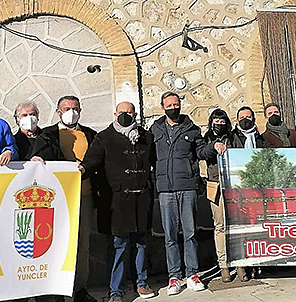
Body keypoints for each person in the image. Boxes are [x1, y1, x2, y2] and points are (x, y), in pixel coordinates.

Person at [150, 92, 225, 295]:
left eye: (176, 104)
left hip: (188, 187)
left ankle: (192, 274)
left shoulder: (192, 129)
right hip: (165, 190)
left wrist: (213, 147)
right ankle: (174, 277)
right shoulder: (155, 129)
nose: (173, 107)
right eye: (169, 105)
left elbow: (200, 151)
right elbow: (149, 156)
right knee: (170, 235)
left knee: (191, 233)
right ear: (162, 107)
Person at [80, 102, 156, 302]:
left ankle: (141, 282)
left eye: (128, 112)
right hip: (116, 202)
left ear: (135, 114)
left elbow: (154, 164)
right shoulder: (103, 138)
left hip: (141, 199)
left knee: (141, 243)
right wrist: (82, 170)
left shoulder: (146, 137)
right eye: (121, 112)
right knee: (118, 245)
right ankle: (116, 291)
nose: (125, 115)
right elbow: (91, 161)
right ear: (115, 114)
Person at [30, 95, 100, 302]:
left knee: (82, 245)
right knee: (55, 244)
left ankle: (79, 289)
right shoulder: (48, 135)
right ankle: (56, 291)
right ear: (58, 112)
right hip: (56, 200)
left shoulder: (90, 135)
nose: (72, 112)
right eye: (67, 108)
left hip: (84, 195)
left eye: (75, 108)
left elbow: (96, 159)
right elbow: (37, 158)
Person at [202, 108, 248, 283]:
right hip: (215, 186)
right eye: (216, 121)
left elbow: (243, 155)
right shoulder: (206, 138)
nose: (219, 124)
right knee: (220, 226)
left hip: (234, 186)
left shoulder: (234, 137)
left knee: (236, 225)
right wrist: (213, 146)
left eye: (222, 121)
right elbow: (202, 153)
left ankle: (240, 264)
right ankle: (224, 266)